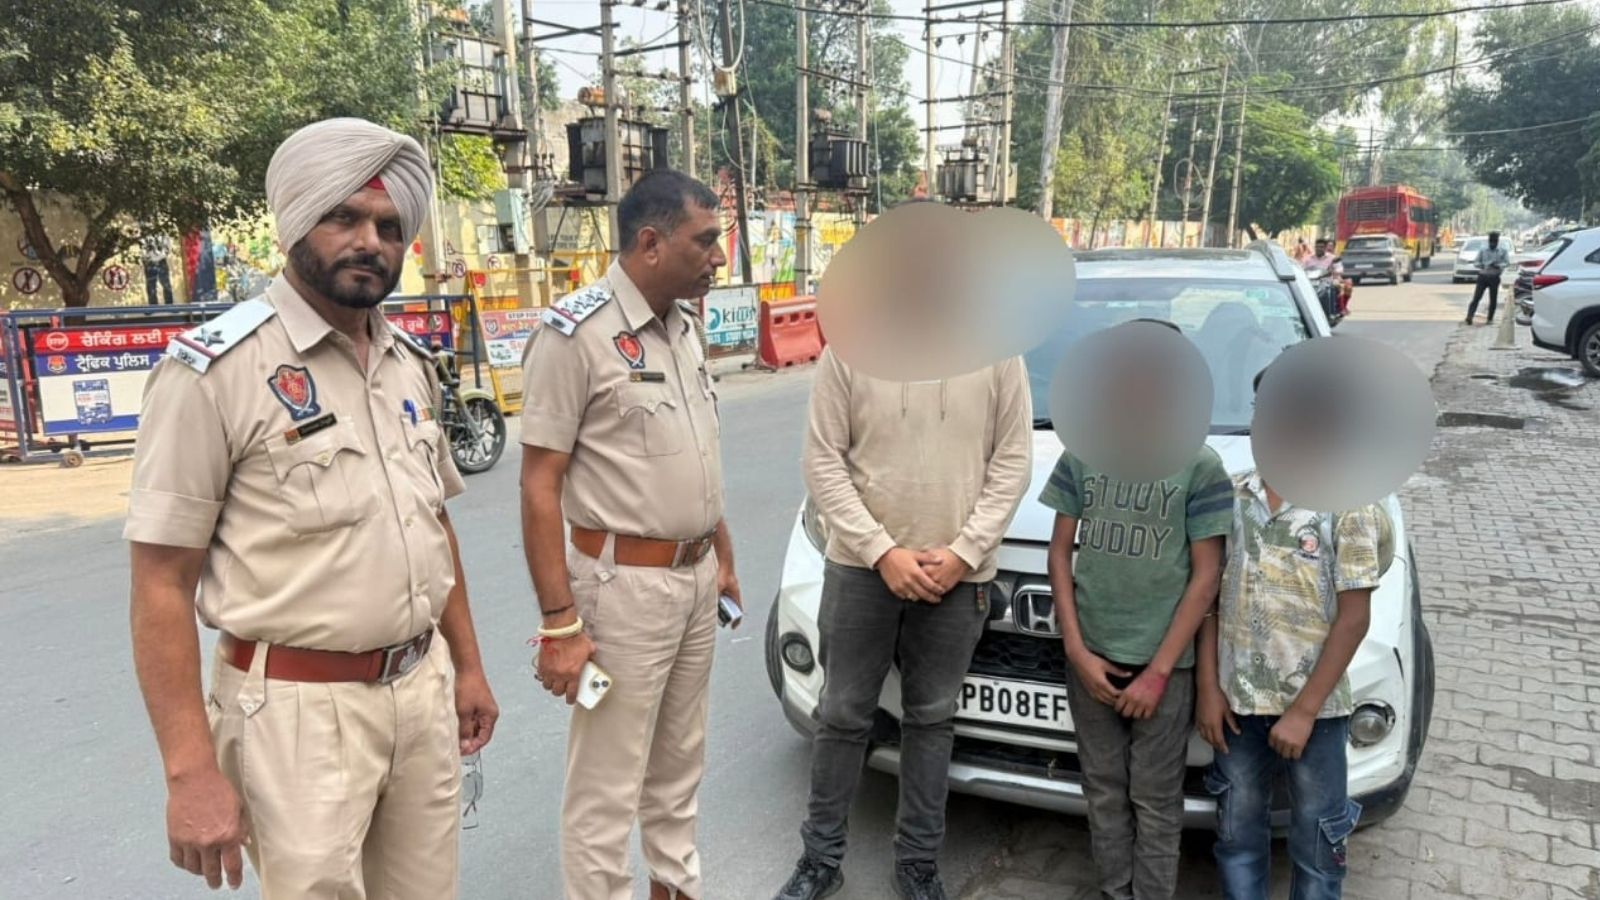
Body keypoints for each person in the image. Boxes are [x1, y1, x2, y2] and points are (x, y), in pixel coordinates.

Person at [126, 117, 499, 898]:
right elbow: (161, 583)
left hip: (419, 690)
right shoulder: (214, 372)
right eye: (345, 217)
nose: (370, 240)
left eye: (390, 225)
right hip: (295, 715)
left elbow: (430, 524)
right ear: (296, 222)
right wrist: (189, 773)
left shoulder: (407, 364)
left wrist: (466, 665)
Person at [519, 169, 737, 900]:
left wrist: (723, 560)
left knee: (679, 767)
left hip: (696, 580)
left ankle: (677, 890)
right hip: (620, 595)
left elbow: (697, 458)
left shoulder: (683, 327)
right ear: (650, 243)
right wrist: (560, 624)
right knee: (606, 787)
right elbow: (539, 483)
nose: (719, 257)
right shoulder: (573, 336)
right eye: (705, 241)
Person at [774, 349, 1033, 900]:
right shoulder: (849, 348)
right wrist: (880, 551)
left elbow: (1012, 460)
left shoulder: (999, 352)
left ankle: (917, 863)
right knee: (842, 715)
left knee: (931, 720)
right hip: (860, 569)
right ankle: (820, 858)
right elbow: (823, 460)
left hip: (957, 576)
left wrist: (966, 551)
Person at [1039, 335, 1233, 900]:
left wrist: (1157, 671)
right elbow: (1059, 552)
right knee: (1102, 788)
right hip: (1091, 656)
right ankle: (1113, 890)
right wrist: (1075, 649)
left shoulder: (1199, 465)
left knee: (1155, 797)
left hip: (1164, 669)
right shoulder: (1084, 452)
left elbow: (1206, 577)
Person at [1196, 395, 1390, 900]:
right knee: (1237, 837)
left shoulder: (1346, 502)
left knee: (1319, 846)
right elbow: (1210, 598)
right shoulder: (1235, 496)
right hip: (1237, 709)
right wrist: (1208, 690)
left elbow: (1354, 618)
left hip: (1316, 715)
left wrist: (1303, 711)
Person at [1466, 230, 1511, 325]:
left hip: (1494, 277)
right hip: (1483, 276)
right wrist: (1483, 265)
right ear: (1489, 241)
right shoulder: (1483, 250)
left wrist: (1499, 265)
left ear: (1497, 242)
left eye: (1494, 242)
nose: (1492, 244)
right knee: (1477, 297)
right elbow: (1476, 262)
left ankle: (1490, 318)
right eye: (1491, 242)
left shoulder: (1502, 251)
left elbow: (1507, 263)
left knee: (1493, 299)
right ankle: (1469, 316)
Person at [142, 231, 175, 305]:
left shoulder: (163, 234)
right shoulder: (145, 235)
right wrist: (147, 258)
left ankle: (170, 305)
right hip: (149, 262)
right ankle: (153, 306)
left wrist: (160, 255)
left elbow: (168, 247)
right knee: (151, 286)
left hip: (161, 261)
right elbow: (142, 249)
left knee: (166, 284)